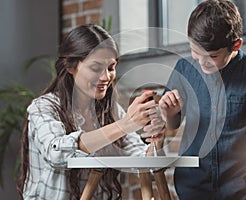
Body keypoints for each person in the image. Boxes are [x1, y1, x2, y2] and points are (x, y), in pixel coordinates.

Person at [159, 0, 246, 199]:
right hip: (194, 187)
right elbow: (172, 126)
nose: (202, 61)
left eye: (212, 56)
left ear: (236, 44)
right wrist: (168, 114)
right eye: (195, 52)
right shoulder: (183, 69)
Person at [17, 24, 165, 200]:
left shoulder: (112, 111)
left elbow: (140, 159)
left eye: (111, 68)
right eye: (96, 68)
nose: (106, 77)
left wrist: (156, 141)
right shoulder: (43, 108)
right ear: (71, 66)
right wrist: (125, 125)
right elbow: (56, 153)